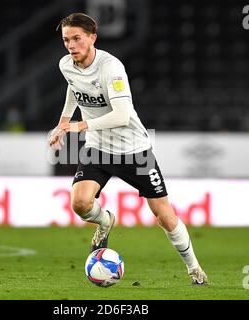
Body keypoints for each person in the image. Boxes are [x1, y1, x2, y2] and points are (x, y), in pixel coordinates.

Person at [49, 13, 208, 285]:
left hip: (135, 150)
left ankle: (194, 268)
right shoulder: (66, 64)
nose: (71, 45)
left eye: (76, 38)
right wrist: (62, 123)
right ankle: (105, 220)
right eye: (66, 40)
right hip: (98, 148)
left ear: (92, 38)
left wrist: (79, 126)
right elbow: (74, 89)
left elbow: (121, 116)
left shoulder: (111, 68)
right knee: (80, 202)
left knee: (164, 215)